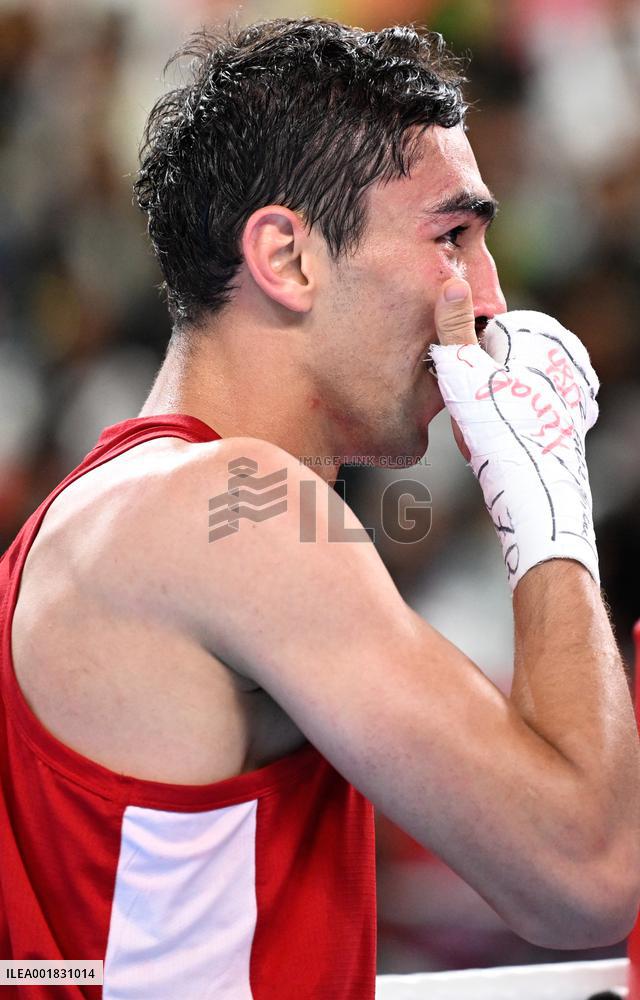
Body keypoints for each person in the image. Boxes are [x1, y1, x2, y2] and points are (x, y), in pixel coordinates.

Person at [1, 17, 639, 1000]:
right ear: (288, 259)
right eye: (453, 238)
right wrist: (548, 491)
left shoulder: (118, 512)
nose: (489, 299)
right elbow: (587, 870)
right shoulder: (228, 513)